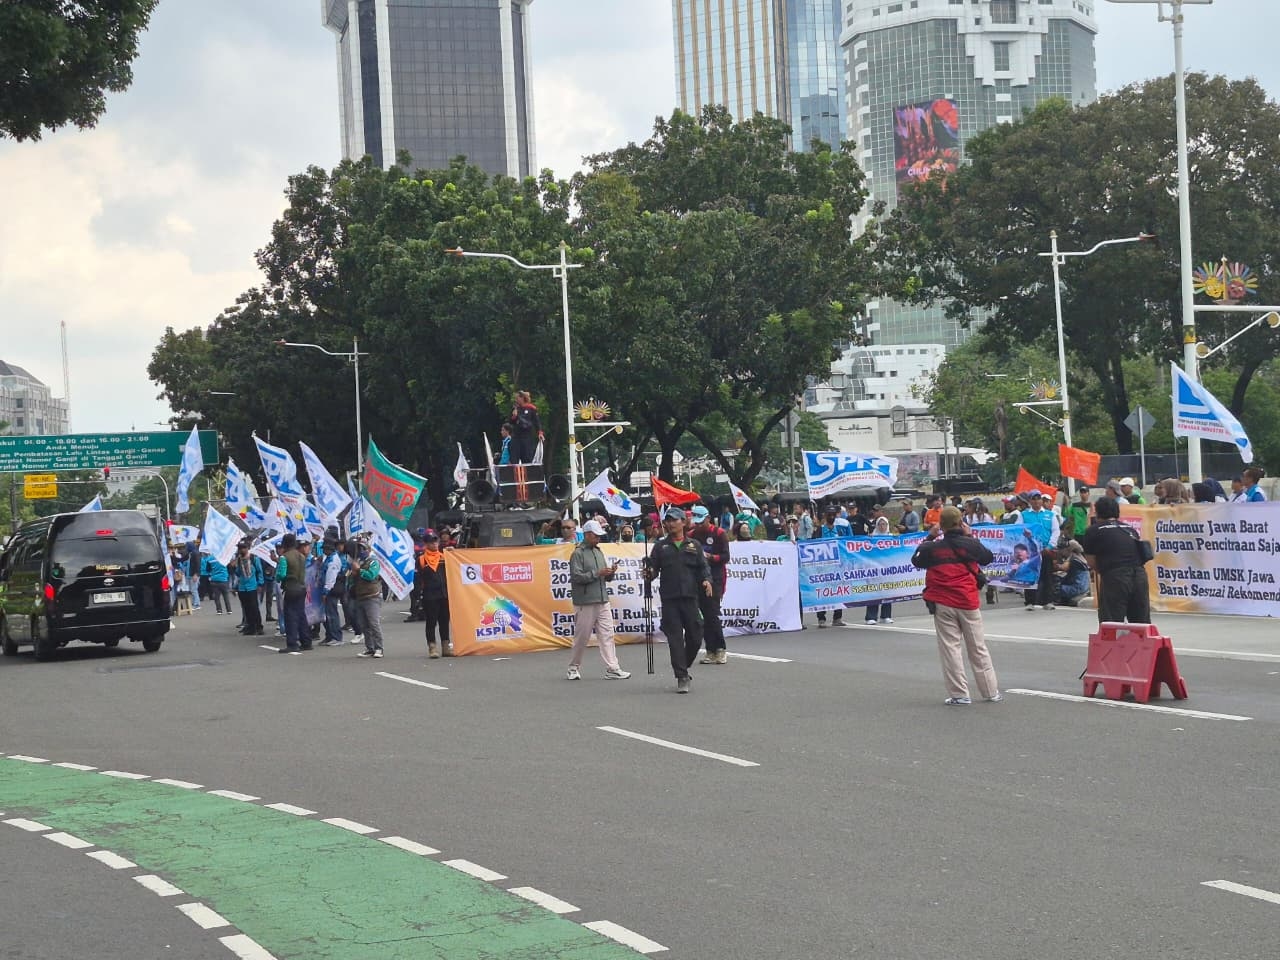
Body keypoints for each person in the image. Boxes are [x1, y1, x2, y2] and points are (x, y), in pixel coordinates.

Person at [911, 507, 1001, 705]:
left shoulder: (932, 548)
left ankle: (959, 694)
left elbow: (916, 560)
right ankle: (990, 691)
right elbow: (987, 558)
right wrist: (970, 536)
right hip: (967, 600)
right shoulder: (970, 545)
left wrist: (929, 536)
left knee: (950, 648)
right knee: (977, 647)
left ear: (941, 525)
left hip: (942, 601)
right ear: (961, 523)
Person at [643, 507, 712, 694]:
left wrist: (707, 580)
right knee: (675, 639)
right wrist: (649, 572)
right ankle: (681, 676)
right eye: (668, 520)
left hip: (691, 597)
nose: (671, 523)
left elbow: (703, 567)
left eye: (675, 520)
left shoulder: (694, 545)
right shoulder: (660, 547)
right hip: (670, 599)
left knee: (696, 636)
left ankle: (683, 664)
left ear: (683, 522)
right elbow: (653, 570)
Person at [566, 519, 630, 680]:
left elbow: (605, 578)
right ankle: (573, 667)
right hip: (585, 602)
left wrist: (610, 572)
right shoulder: (578, 554)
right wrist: (598, 573)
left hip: (602, 599)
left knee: (607, 634)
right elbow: (576, 577)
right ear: (587, 535)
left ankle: (613, 667)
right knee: (582, 637)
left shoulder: (598, 552)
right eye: (596, 535)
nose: (599, 538)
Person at [1081, 496, 1150, 623]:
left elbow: (1091, 562)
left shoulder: (1093, 531)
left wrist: (1107, 572)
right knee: (1141, 623)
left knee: (1111, 623)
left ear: (1097, 512)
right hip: (1140, 576)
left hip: (1115, 576)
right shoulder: (1130, 529)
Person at [689, 505, 730, 665]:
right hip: (698, 578)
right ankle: (710, 650)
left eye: (701, 522)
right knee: (703, 616)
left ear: (708, 518)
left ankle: (720, 649)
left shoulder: (719, 534)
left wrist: (710, 557)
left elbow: (726, 556)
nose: (699, 525)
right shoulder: (692, 535)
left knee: (712, 614)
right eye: (696, 523)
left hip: (716, 578)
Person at [1020, 490, 1061, 611]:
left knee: (1047, 575)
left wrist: (1050, 546)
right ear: (1030, 501)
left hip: (1046, 550)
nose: (1036, 501)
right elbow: (1019, 529)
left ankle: (1048, 601)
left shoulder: (1050, 515)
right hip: (1031, 551)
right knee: (1030, 576)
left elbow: (1055, 531)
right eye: (1034, 499)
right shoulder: (1024, 515)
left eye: (1038, 498)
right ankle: (1029, 602)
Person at [417, 529, 451, 658]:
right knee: (431, 622)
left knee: (444, 622)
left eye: (436, 541)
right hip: (429, 596)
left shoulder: (444, 557)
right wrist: (418, 597)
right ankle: (432, 647)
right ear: (426, 544)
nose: (435, 544)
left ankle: (446, 647)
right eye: (431, 542)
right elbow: (418, 580)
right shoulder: (421, 559)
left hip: (444, 594)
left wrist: (454, 553)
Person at [348, 538, 384, 658]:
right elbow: (352, 579)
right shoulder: (358, 562)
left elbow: (371, 576)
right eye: (359, 549)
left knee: (374, 623)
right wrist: (353, 574)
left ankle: (379, 648)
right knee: (365, 625)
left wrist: (359, 570)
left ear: (368, 549)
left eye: (363, 549)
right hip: (360, 596)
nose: (361, 551)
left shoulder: (373, 562)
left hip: (372, 596)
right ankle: (370, 648)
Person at [275, 533, 311, 653]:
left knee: (290, 617)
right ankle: (306, 642)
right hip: (302, 587)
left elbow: (281, 574)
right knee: (301, 615)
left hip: (290, 588)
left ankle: (292, 644)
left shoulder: (284, 557)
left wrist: (278, 578)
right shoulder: (301, 556)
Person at [231, 541, 265, 637]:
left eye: (243, 548)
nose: (241, 550)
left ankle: (259, 627)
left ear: (247, 548)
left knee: (254, 608)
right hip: (242, 588)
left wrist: (260, 584)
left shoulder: (254, 558)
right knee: (246, 609)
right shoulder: (238, 560)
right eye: (240, 548)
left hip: (252, 586)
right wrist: (233, 567)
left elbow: (260, 571)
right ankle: (250, 627)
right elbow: (238, 573)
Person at [318, 538, 345, 646]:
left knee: (331, 614)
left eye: (325, 549)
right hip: (328, 588)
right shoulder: (329, 558)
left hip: (331, 590)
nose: (324, 551)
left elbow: (331, 578)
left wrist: (325, 591)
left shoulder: (333, 560)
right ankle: (329, 636)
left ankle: (336, 637)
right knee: (327, 614)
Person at [508, 389, 543, 464]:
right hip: (516, 436)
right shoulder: (515, 408)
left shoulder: (531, 408)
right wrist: (514, 416)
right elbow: (511, 422)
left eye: (517, 398)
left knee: (527, 458)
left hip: (527, 437)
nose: (516, 400)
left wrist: (540, 433)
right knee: (514, 457)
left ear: (522, 398)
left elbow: (537, 422)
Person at [1055, 541, 1091, 606]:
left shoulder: (1074, 559)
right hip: (1083, 588)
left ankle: (1057, 601)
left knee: (1055, 587)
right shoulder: (1081, 558)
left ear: (1069, 549)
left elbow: (1063, 567)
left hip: (1077, 588)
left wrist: (1054, 565)